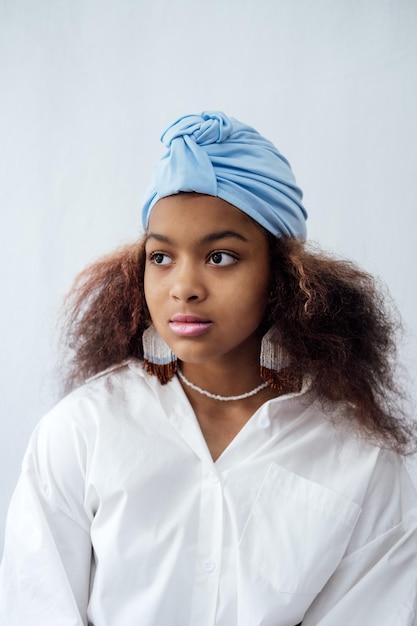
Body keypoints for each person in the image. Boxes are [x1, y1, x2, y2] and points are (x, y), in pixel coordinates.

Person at [1, 111, 416, 626]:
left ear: (285, 273)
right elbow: (36, 608)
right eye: (161, 257)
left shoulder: (360, 457)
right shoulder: (81, 432)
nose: (184, 287)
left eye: (220, 257)